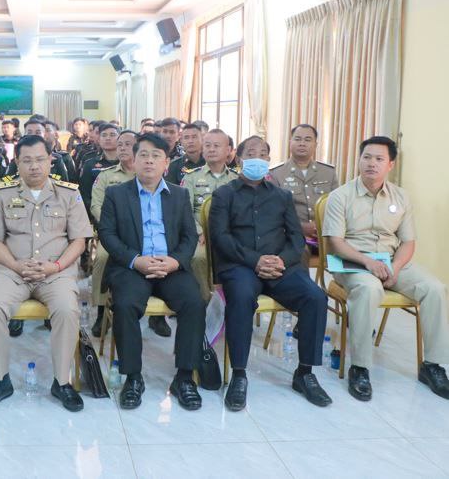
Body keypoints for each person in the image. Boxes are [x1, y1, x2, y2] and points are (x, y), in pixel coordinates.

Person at [209, 135, 331, 412]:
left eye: (263, 154)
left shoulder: (282, 196)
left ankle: (305, 373)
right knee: (240, 297)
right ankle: (239, 374)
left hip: (280, 267)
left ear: (268, 160)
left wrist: (281, 260)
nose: (258, 158)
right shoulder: (224, 194)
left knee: (315, 297)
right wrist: (255, 261)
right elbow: (221, 238)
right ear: (239, 159)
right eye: (251, 153)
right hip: (241, 266)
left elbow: (296, 238)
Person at [323, 136, 449, 401]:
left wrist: (395, 267)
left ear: (390, 164)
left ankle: (433, 365)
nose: (371, 163)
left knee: (435, 288)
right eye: (366, 157)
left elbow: (408, 242)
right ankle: (360, 367)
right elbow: (336, 243)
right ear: (359, 160)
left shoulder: (401, 197)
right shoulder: (340, 196)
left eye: (379, 159)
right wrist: (368, 262)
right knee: (369, 289)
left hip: (391, 260)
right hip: (352, 260)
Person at [0, 135, 92, 412]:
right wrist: (16, 266)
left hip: (56, 271)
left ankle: (62, 382)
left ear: (51, 160)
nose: (34, 166)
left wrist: (56, 267)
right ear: (16, 162)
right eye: (26, 160)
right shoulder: (4, 194)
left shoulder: (68, 194)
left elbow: (79, 241)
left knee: (67, 310)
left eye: (40, 159)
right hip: (13, 270)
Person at [97, 133, 205, 411]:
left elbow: (189, 237)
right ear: (133, 161)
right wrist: (136, 260)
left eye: (156, 156)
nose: (149, 161)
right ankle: (133, 377)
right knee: (125, 304)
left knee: (194, 302)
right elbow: (107, 235)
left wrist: (175, 262)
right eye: (143, 155)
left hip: (170, 265)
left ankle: (184, 377)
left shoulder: (179, 195)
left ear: (166, 163)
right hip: (132, 266)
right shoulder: (116, 194)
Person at [88, 130, 137, 336]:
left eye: (128, 144)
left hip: (143, 234)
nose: (122, 148)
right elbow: (96, 206)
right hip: (112, 234)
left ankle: (157, 316)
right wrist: (112, 227)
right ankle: (101, 312)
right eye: (120, 144)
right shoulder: (106, 176)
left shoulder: (147, 174)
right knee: (101, 257)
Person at [180, 129, 238, 302]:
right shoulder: (191, 178)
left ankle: (233, 301)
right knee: (198, 257)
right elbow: (184, 210)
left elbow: (242, 213)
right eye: (207, 145)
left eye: (216, 145)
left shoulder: (237, 179)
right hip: (201, 236)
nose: (211, 149)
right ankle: (204, 302)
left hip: (230, 235)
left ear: (228, 150)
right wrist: (199, 232)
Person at [270, 124, 338, 250]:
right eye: (297, 139)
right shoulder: (276, 173)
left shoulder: (328, 172)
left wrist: (322, 226)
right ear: (290, 142)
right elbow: (273, 212)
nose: (302, 143)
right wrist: (300, 227)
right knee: (301, 251)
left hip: (325, 234)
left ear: (315, 145)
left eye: (307, 140)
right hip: (291, 235)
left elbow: (337, 207)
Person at [5, 119, 70, 182]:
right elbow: (7, 183)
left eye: (38, 132)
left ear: (44, 135)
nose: (33, 135)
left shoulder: (56, 160)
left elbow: (64, 183)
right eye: (29, 132)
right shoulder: (18, 159)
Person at [79, 123, 120, 214]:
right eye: (104, 135)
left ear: (119, 138)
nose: (108, 138)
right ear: (99, 139)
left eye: (112, 135)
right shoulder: (90, 164)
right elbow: (85, 195)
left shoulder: (126, 163)